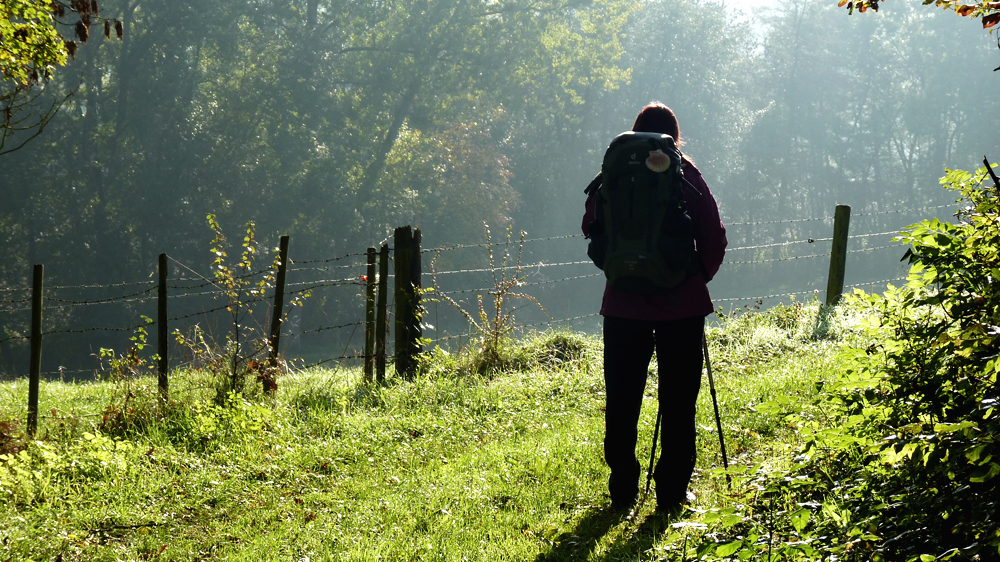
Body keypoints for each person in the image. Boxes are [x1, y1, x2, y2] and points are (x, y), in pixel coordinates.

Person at [581, 102, 727, 513]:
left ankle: (623, 491)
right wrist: (695, 278)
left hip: (622, 306)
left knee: (623, 398)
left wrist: (624, 268)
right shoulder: (686, 174)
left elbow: (590, 226)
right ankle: (671, 493)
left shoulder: (614, 173)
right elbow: (713, 236)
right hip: (682, 306)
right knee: (679, 401)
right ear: (674, 137)